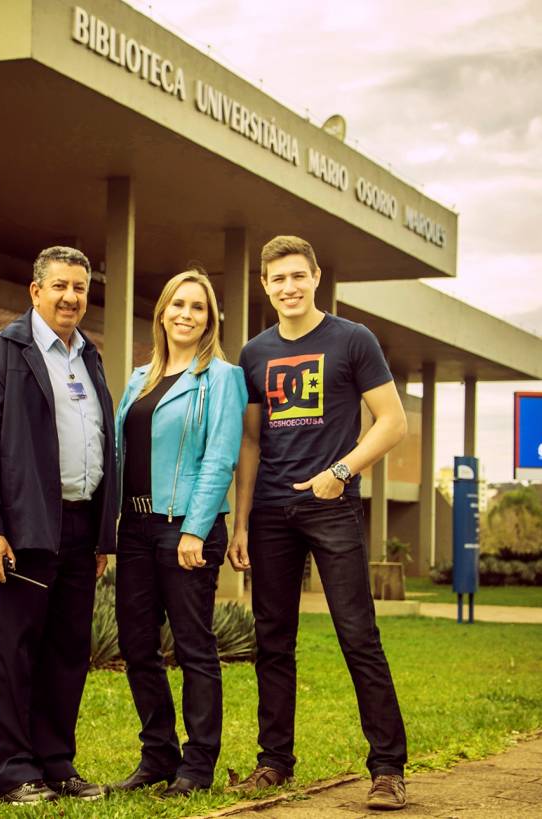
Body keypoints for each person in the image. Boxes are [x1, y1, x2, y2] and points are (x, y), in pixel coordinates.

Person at [228, 236, 409, 811]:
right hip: (270, 513)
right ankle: (273, 762)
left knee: (358, 636)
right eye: (278, 278)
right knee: (272, 641)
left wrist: (341, 471)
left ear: (316, 277)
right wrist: (241, 521)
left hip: (332, 506)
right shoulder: (253, 353)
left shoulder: (353, 339)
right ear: (265, 286)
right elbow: (251, 441)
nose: (289, 287)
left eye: (298, 276)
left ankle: (388, 769)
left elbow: (393, 421)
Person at [0, 246, 117, 805]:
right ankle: (13, 772)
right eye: (59, 286)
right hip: (23, 529)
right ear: (35, 291)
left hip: (80, 526)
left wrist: (101, 535)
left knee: (67, 651)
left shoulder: (89, 356)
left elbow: (102, 441)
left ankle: (56, 763)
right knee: (16, 653)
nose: (70, 297)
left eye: (79, 287)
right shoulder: (2, 353)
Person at [111, 267, 247, 797]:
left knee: (193, 647)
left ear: (209, 320)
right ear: (162, 311)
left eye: (198, 307)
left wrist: (194, 529)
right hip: (135, 528)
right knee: (137, 645)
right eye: (178, 304)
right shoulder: (139, 378)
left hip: (186, 529)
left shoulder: (222, 378)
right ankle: (158, 756)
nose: (186, 315)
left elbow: (220, 457)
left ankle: (198, 765)